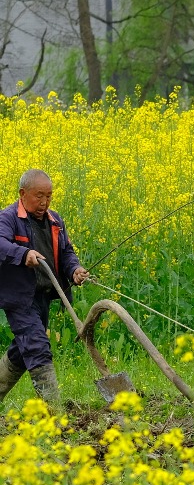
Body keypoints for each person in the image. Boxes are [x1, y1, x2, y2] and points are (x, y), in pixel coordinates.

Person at [0, 169, 88, 405]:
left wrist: (75, 270)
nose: (44, 202)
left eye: (48, 196)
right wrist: (23, 253)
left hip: (43, 296)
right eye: (39, 196)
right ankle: (55, 414)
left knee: (22, 350)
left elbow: (67, 252)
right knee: (37, 346)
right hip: (20, 298)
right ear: (22, 193)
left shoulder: (55, 220)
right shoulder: (8, 218)